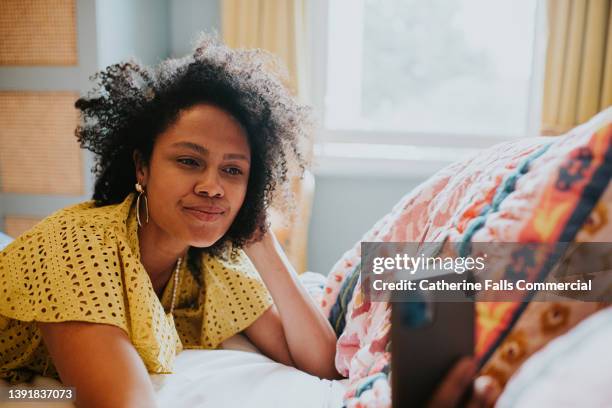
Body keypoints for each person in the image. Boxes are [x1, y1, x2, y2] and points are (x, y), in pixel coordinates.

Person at [0, 36, 497, 408]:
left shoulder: (208, 263)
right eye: (189, 161)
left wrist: (260, 239)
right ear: (141, 168)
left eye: (233, 171)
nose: (214, 186)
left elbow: (320, 362)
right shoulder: (78, 246)